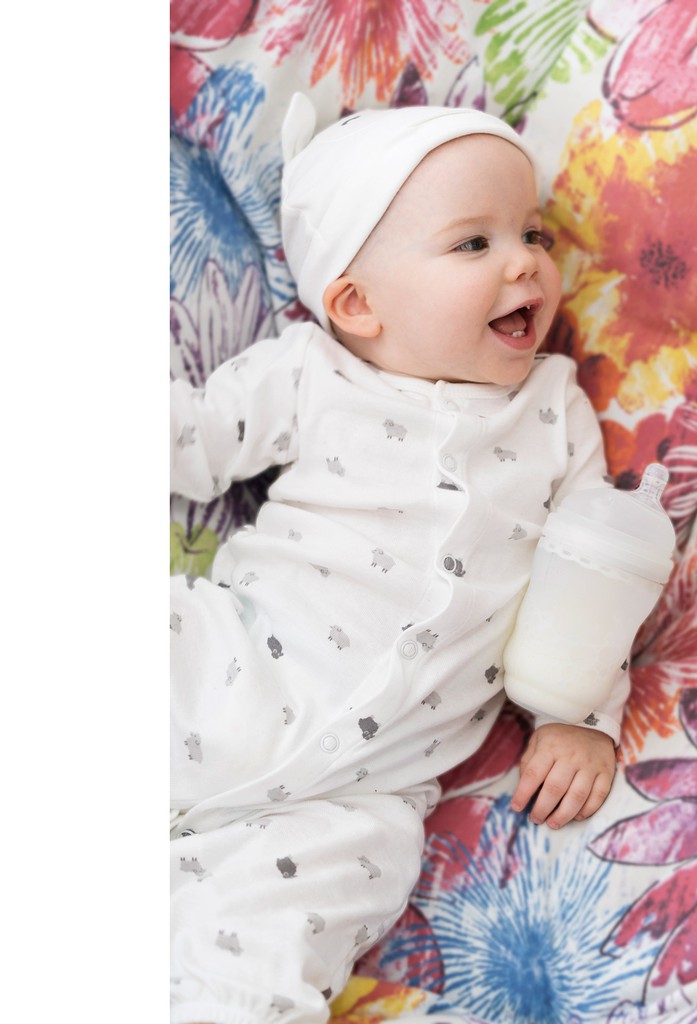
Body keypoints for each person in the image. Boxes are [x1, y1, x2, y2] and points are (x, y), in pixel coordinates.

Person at [169, 94, 629, 1024]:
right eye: (475, 243)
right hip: (236, 667)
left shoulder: (554, 409)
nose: (526, 261)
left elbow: (591, 576)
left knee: (272, 946)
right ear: (357, 304)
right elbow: (194, 442)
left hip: (359, 800)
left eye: (533, 234)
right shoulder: (310, 371)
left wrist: (583, 716)